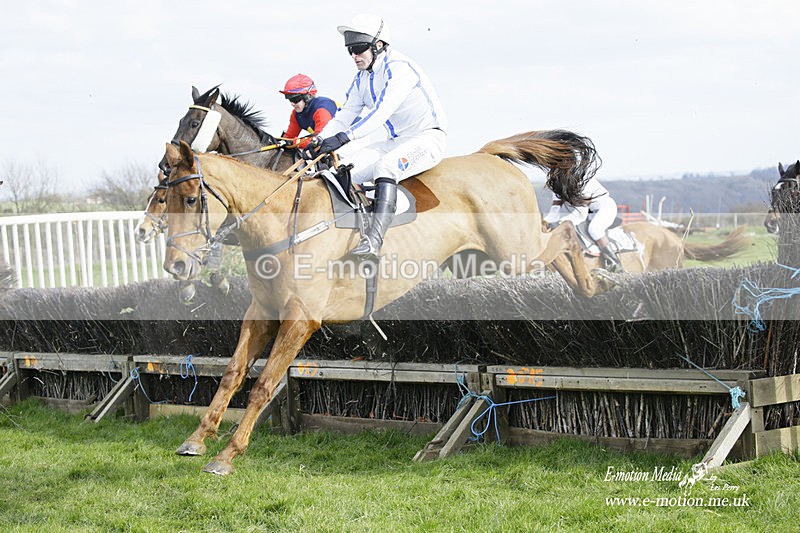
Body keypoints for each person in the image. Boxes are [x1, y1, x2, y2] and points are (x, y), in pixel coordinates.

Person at [306, 13, 447, 260]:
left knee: (386, 166)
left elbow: (381, 113)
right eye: (350, 50)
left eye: (359, 49)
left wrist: (342, 139)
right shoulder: (362, 78)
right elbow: (345, 114)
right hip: (397, 141)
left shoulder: (399, 69)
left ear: (378, 45)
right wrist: (319, 140)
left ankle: (373, 243)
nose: (354, 56)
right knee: (344, 172)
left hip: (427, 139)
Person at [542, 175, 624, 271]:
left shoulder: (584, 183)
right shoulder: (557, 187)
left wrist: (561, 222)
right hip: (591, 211)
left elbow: (580, 215)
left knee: (594, 229)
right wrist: (544, 222)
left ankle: (614, 262)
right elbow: (554, 214)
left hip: (606, 207)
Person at [279, 74, 338, 149]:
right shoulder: (296, 114)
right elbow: (288, 137)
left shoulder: (321, 111)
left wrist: (294, 142)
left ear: (308, 96)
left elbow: (321, 140)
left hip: (351, 142)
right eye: (290, 100)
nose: (292, 104)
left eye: (295, 99)